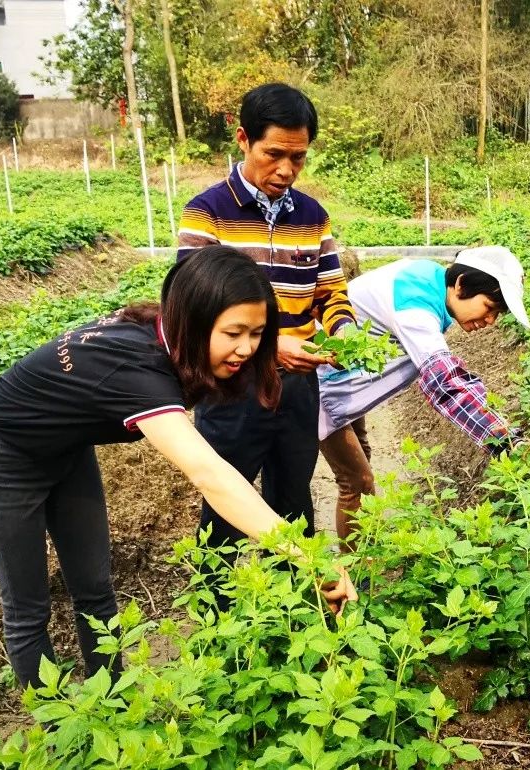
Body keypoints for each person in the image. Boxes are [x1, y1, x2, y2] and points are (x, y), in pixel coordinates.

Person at [0, 247, 357, 689]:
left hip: (67, 448)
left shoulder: (169, 335)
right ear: (194, 320)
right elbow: (209, 474)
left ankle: (112, 704)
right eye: (234, 332)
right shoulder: (140, 370)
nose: (247, 348)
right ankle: (56, 732)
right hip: (1, 453)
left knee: (94, 590)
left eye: (258, 333)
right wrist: (305, 553)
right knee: (28, 608)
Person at [177, 83, 354, 550]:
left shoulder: (313, 217)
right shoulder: (206, 214)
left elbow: (331, 293)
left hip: (297, 389)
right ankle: (215, 617)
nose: (286, 169)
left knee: (294, 505)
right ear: (243, 139)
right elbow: (194, 309)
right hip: (231, 385)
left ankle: (296, 617)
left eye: (298, 158)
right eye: (274, 153)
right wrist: (271, 346)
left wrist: (346, 335)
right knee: (224, 512)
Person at [318, 246, 530, 549]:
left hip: (345, 386)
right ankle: (355, 570)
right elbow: (443, 381)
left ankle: (360, 551)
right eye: (489, 307)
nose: (490, 321)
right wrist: (506, 440)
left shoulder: (427, 279)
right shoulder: (415, 299)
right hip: (319, 386)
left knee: (361, 456)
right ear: (460, 285)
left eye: (498, 314)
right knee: (356, 480)